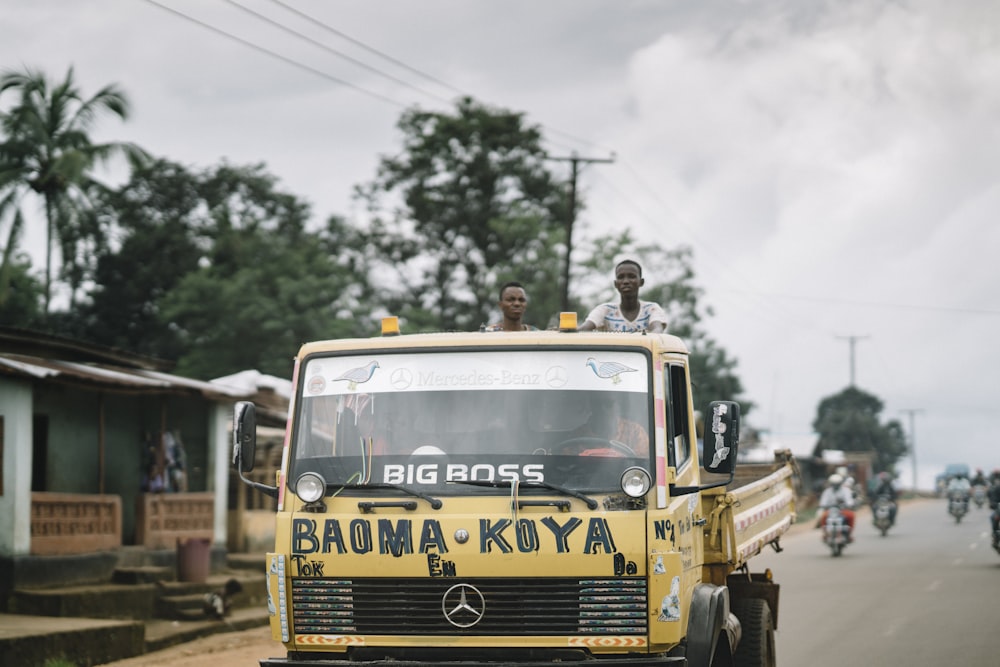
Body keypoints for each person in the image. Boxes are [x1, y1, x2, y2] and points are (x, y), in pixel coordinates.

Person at [578, 259, 668, 333]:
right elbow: (584, 328)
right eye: (620, 277)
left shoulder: (651, 309)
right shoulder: (605, 310)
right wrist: (570, 331)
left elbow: (657, 330)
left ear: (641, 282)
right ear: (615, 284)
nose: (625, 281)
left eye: (631, 276)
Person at [816, 473, 856, 538]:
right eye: (834, 484)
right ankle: (825, 533)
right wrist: (823, 506)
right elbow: (823, 502)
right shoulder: (827, 491)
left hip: (843, 510)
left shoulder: (845, 490)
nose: (835, 485)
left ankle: (849, 534)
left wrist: (849, 505)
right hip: (831, 511)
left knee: (851, 516)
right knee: (823, 516)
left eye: (837, 484)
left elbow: (849, 501)